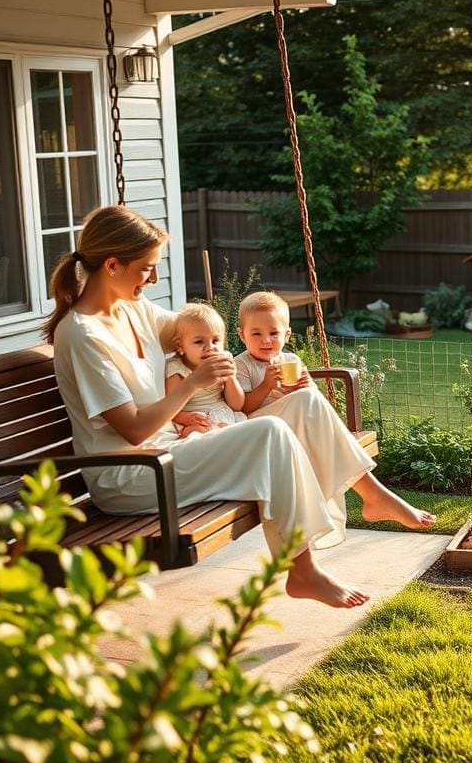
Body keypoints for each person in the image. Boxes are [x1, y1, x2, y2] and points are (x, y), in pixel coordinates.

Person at [44, 205, 434, 609]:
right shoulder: (84, 335)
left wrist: (258, 334)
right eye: (147, 268)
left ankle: (371, 494)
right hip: (134, 475)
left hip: (178, 447)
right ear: (112, 265)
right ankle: (303, 570)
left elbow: (199, 328)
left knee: (302, 402)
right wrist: (192, 384)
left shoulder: (134, 311)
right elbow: (133, 430)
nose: (154, 278)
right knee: (269, 433)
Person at [231, 291, 437, 549]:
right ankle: (374, 495)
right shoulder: (241, 365)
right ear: (242, 335)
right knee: (306, 400)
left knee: (308, 397)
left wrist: (302, 387)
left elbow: (315, 406)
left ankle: (374, 497)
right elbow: (243, 407)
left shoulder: (290, 360)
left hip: (292, 432)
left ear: (287, 335)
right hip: (261, 434)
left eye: (274, 333)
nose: (266, 340)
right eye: (256, 333)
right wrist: (267, 385)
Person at [165, 302, 247, 437]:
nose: (210, 348)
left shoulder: (223, 361)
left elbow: (237, 405)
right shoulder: (177, 369)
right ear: (180, 346)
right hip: (196, 421)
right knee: (196, 432)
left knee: (241, 430)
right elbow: (170, 410)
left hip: (224, 414)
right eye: (199, 342)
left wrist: (231, 377)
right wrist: (188, 418)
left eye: (215, 341)